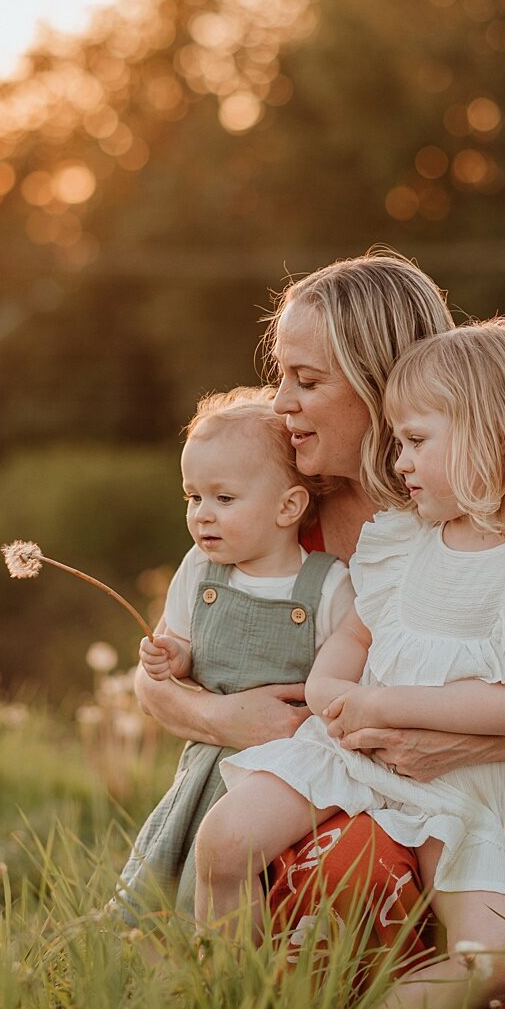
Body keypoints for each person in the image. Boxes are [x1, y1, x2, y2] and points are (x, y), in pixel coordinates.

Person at [133, 250, 505, 1009]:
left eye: (308, 380)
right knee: (309, 857)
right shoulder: (281, 509)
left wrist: (457, 738)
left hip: (481, 802)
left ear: (385, 380)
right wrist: (229, 722)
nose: (281, 402)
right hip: (325, 781)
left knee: (462, 941)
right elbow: (161, 666)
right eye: (280, 375)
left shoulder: (490, 524)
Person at [114, 387, 353, 920]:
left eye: (224, 499)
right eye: (192, 498)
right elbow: (182, 639)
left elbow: (350, 673)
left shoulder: (328, 586)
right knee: (178, 873)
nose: (203, 516)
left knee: (263, 877)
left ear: (288, 506)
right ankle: (190, 976)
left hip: (289, 768)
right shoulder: (199, 572)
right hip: (208, 758)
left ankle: (249, 973)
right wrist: (171, 657)